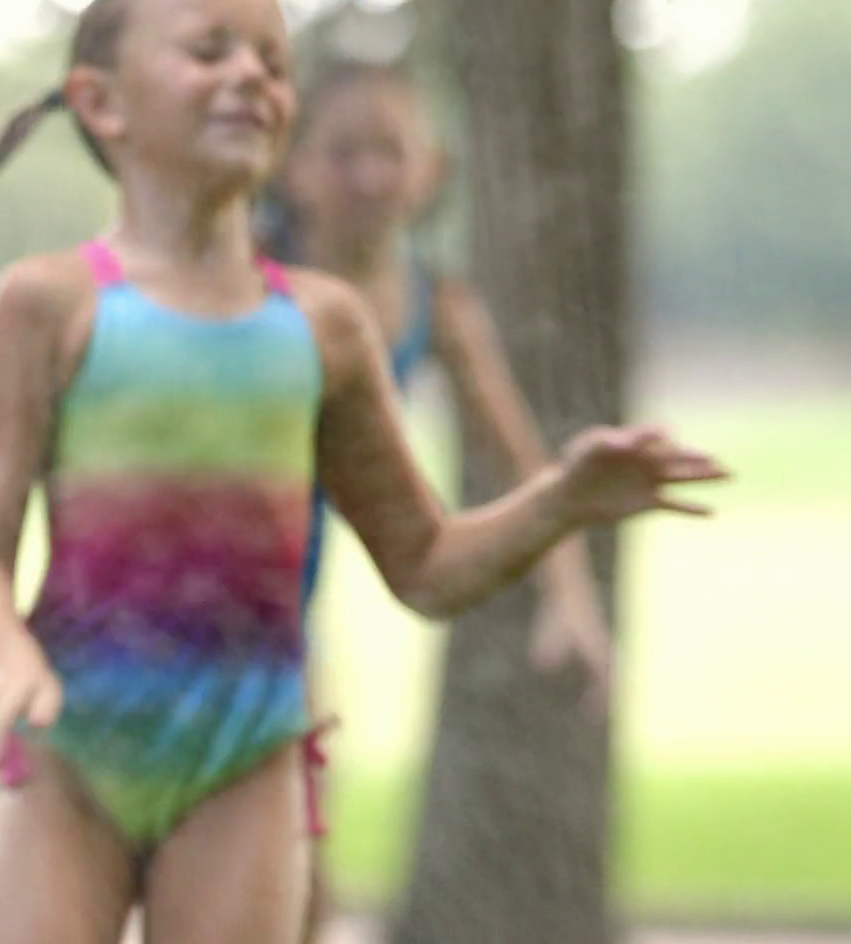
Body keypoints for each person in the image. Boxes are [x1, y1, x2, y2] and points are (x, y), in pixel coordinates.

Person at [0, 0, 728, 944]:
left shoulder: (325, 327)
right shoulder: (48, 303)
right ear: (100, 102)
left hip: (247, 762)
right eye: (209, 50)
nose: (251, 75)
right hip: (70, 750)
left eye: (274, 63)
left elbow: (427, 565)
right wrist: (5, 653)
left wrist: (560, 501)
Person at [260, 60, 616, 942]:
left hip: (298, 576)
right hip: (215, 562)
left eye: (390, 152)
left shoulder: (437, 302)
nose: (369, 176)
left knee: (302, 842)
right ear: (292, 168)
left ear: (432, 170)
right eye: (343, 153)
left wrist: (571, 599)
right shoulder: (243, 273)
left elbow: (523, 463)